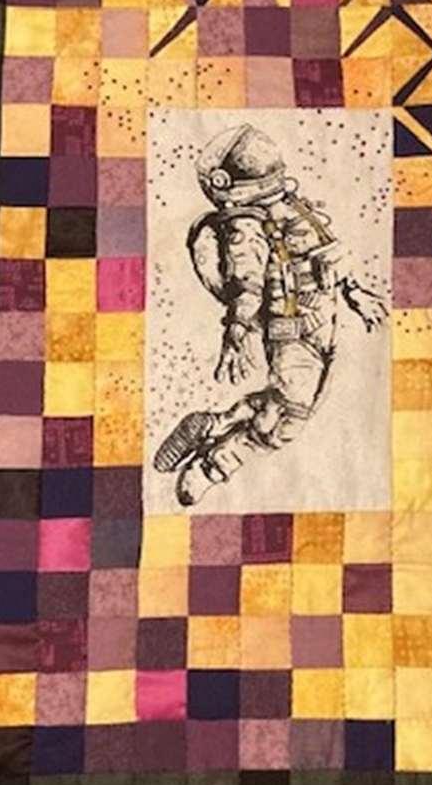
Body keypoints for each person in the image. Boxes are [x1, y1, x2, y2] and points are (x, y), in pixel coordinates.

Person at [153, 124, 386, 506]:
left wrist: (353, 292)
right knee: (289, 421)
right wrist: (236, 334)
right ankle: (211, 467)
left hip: (320, 327)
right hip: (293, 332)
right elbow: (246, 285)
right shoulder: (246, 227)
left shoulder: (293, 209)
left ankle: (217, 423)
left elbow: (325, 252)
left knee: (284, 405)